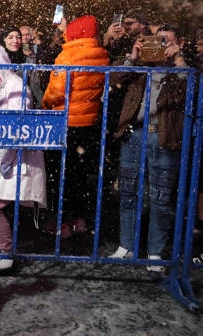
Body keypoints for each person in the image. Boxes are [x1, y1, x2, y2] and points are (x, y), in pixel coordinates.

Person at [109, 25, 189, 271]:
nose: (161, 45)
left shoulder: (184, 69)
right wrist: (132, 58)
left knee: (161, 198)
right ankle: (126, 246)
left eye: (167, 41)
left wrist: (179, 61)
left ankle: (155, 253)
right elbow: (112, 80)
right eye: (158, 40)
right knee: (129, 192)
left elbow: (193, 93)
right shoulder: (140, 68)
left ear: (180, 43)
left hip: (164, 137)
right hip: (134, 135)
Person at [0, 46, 46, 273]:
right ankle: (3, 250)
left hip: (18, 159)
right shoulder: (3, 86)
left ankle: (6, 254)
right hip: (12, 158)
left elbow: (16, 129)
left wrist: (5, 160)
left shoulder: (16, 88)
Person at [42, 14, 109, 238]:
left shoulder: (68, 55)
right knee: (79, 174)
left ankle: (62, 223)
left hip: (65, 121)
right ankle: (80, 220)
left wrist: (45, 103)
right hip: (88, 122)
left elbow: (56, 90)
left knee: (59, 174)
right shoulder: (101, 55)